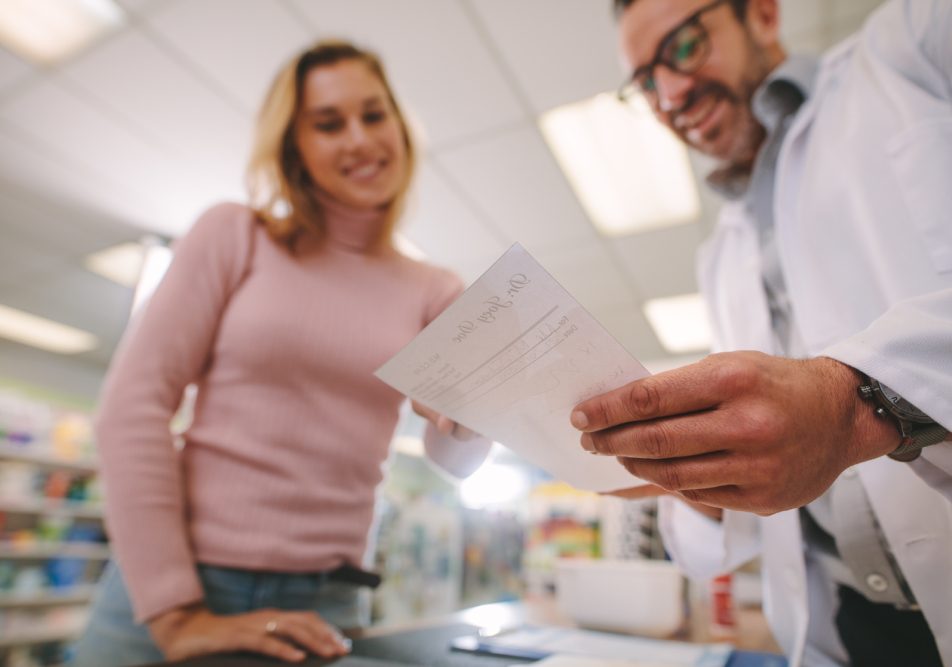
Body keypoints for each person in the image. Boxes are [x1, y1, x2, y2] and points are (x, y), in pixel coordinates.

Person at [71, 40, 490, 667]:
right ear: (294, 145)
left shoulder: (435, 289)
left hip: (324, 605)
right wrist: (175, 613)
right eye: (328, 123)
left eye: (373, 115)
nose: (359, 139)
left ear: (400, 125)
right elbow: (132, 408)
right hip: (175, 589)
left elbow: (456, 461)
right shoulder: (236, 235)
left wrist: (471, 415)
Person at [570, 0, 952, 665]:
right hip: (846, 631)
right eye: (646, 83)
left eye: (683, 48)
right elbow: (743, 528)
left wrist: (855, 405)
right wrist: (697, 478)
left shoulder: (910, 49)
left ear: (764, 15)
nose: (671, 96)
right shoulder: (719, 256)